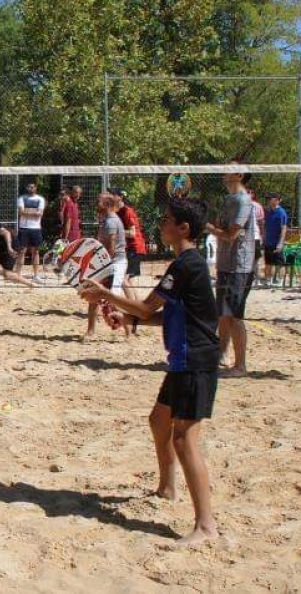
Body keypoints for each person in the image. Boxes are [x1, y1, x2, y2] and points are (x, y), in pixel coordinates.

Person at [79, 197, 220, 547]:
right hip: (183, 358)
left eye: (167, 219)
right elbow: (164, 315)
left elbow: (144, 306)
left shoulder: (186, 265)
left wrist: (103, 294)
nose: (161, 223)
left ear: (184, 228)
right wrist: (126, 318)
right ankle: (168, 487)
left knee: (184, 438)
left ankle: (206, 525)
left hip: (195, 359)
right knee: (159, 421)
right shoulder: (184, 263)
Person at [205, 165, 256, 377]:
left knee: (234, 315)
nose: (224, 171)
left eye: (230, 168)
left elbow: (229, 235)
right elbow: (222, 229)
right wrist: (215, 229)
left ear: (239, 175)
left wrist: (206, 227)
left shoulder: (244, 201)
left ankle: (241, 365)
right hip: (225, 263)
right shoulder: (228, 200)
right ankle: (222, 356)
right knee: (222, 314)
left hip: (240, 266)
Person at [86, 192, 128, 338]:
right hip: (108, 263)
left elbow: (111, 247)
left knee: (112, 298)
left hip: (114, 263)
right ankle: (90, 331)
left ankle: (129, 329)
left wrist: (103, 267)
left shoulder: (111, 221)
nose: (96, 204)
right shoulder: (106, 220)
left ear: (107, 205)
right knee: (93, 297)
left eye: (99, 202)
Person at [112, 188, 147, 301]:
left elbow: (132, 233)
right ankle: (138, 305)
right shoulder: (117, 212)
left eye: (113, 194)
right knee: (129, 280)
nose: (110, 196)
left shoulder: (127, 211)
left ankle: (134, 308)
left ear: (120, 197)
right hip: (129, 249)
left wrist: (116, 232)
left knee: (123, 278)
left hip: (135, 248)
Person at [15, 181, 45, 278]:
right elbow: (21, 212)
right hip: (24, 228)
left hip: (36, 228)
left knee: (36, 251)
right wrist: (34, 212)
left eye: (32, 187)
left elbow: (40, 213)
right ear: (27, 188)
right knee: (22, 251)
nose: (31, 188)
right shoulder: (21, 198)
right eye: (29, 187)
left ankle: (36, 275)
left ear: (36, 188)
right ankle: (18, 274)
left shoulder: (40, 199)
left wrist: (27, 211)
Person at [262, 192, 288, 287]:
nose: (270, 200)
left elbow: (284, 229)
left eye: (272, 198)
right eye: (269, 198)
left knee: (279, 263)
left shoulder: (281, 212)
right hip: (268, 242)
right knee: (268, 262)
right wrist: (263, 238)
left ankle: (280, 281)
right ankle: (268, 280)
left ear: (278, 200)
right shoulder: (267, 211)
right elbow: (264, 226)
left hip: (277, 242)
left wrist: (280, 243)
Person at [248, 188, 265, 284]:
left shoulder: (257, 206)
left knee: (256, 257)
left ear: (254, 194)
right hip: (242, 236)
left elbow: (261, 221)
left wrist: (262, 234)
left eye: (251, 192)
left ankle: (256, 277)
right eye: (247, 192)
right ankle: (247, 277)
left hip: (255, 235)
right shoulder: (238, 204)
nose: (249, 194)